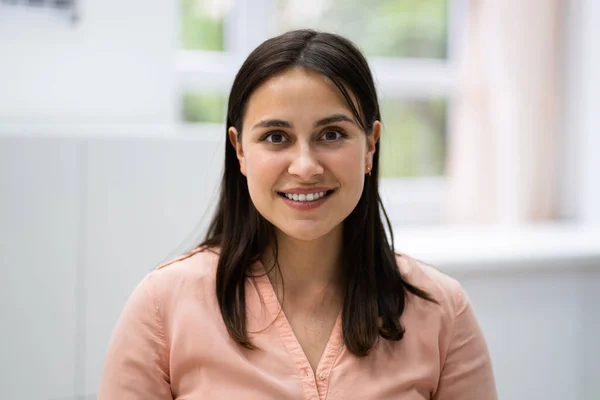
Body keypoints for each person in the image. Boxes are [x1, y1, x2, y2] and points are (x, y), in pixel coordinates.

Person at [99, 29, 497, 399]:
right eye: (276, 137)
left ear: (370, 146)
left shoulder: (443, 312)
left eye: (332, 134)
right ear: (240, 151)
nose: (305, 167)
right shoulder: (161, 307)